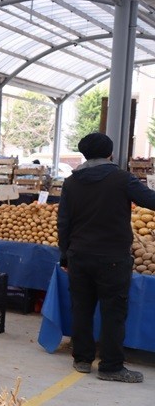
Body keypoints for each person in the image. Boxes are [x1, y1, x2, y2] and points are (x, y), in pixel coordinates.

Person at [57, 132, 155, 383]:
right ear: (111, 153)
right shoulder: (122, 179)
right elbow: (150, 200)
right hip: (112, 257)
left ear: (84, 154)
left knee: (81, 308)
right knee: (113, 312)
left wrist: (65, 256)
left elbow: (64, 223)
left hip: (79, 255)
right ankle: (111, 366)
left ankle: (81, 359)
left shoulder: (71, 182)